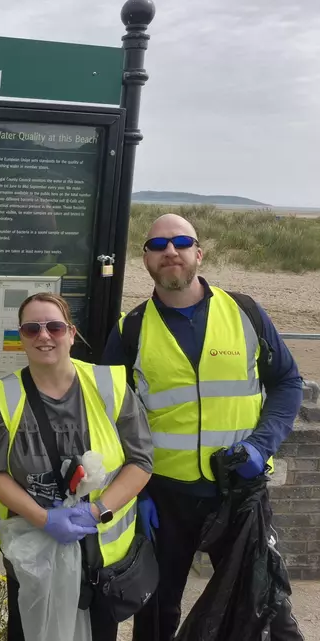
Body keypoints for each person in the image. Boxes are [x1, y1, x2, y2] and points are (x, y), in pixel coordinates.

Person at [101, 213, 304, 641]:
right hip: (164, 499)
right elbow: (108, 418)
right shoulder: (131, 330)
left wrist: (261, 447)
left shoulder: (245, 312)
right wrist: (131, 491)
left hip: (239, 492)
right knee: (156, 611)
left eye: (180, 241)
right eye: (158, 245)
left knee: (257, 605)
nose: (169, 251)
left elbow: (287, 383)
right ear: (145, 260)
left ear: (199, 252)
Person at [0, 292, 154, 641]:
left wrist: (98, 510)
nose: (44, 336)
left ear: (72, 334)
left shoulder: (111, 387)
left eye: (54, 327)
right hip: (33, 557)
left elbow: (141, 461)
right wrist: (44, 518)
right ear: (20, 338)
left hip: (103, 560)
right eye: (31, 329)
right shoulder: (1, 399)